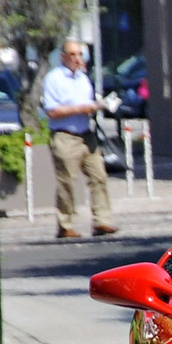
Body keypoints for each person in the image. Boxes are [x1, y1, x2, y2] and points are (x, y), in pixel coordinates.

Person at [40, 40, 116, 239]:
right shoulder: (54, 79)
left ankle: (102, 221)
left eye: (80, 54)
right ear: (63, 57)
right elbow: (52, 111)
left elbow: (87, 104)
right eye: (72, 55)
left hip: (86, 134)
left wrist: (99, 106)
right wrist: (82, 108)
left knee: (99, 176)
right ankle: (65, 225)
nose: (77, 59)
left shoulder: (83, 78)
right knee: (67, 182)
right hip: (65, 135)